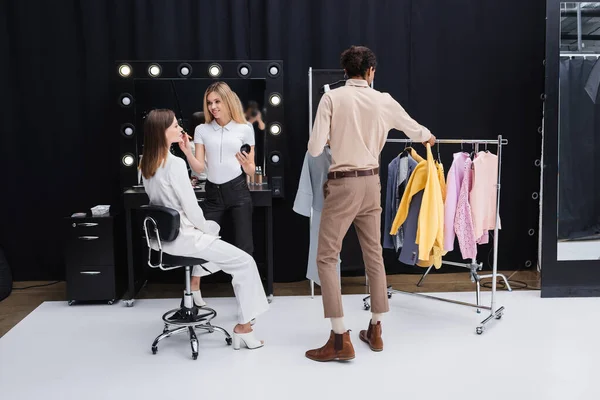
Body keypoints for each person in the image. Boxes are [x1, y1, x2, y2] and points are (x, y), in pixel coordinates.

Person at [305, 45, 436, 362]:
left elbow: (313, 149)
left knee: (326, 257)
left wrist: (331, 138)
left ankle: (339, 338)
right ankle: (376, 328)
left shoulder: (332, 98)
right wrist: (428, 137)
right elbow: (414, 128)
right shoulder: (384, 100)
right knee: (373, 255)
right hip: (372, 183)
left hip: (343, 183)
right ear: (371, 72)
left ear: (345, 72)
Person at [140, 109, 268, 350]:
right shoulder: (175, 164)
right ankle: (244, 328)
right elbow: (191, 210)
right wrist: (206, 233)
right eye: (175, 126)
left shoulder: (146, 165)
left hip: (162, 241)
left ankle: (196, 286)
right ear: (162, 132)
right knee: (245, 262)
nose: (180, 129)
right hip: (184, 237)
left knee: (217, 235)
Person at [180, 82, 256, 308]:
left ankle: (246, 299)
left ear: (227, 101)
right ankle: (194, 286)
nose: (213, 107)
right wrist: (186, 151)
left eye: (217, 101)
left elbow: (251, 169)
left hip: (238, 190)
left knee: (244, 246)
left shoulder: (244, 129)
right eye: (209, 103)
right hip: (213, 192)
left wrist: (246, 165)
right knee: (204, 241)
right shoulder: (202, 130)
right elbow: (199, 168)